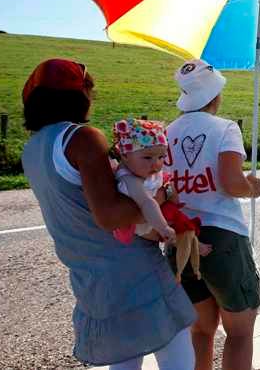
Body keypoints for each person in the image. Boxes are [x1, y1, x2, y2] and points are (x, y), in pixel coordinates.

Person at [21, 59, 197, 369]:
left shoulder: (33, 148)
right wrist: (158, 195)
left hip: (90, 276)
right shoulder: (83, 139)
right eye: (90, 90)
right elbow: (110, 215)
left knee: (125, 360)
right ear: (80, 94)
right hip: (133, 270)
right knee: (178, 354)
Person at [164, 59, 260, 370]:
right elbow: (232, 184)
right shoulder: (225, 128)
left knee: (201, 330)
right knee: (239, 333)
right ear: (215, 95)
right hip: (222, 239)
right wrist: (252, 187)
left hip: (180, 240)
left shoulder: (167, 132)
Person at [110, 118, 212, 282]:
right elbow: (146, 202)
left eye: (161, 157)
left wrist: (169, 191)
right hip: (143, 222)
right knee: (175, 223)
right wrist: (163, 227)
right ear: (125, 155)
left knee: (181, 220)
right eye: (148, 158)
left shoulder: (142, 171)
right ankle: (187, 245)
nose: (156, 164)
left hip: (154, 212)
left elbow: (164, 185)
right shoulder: (129, 179)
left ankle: (191, 242)